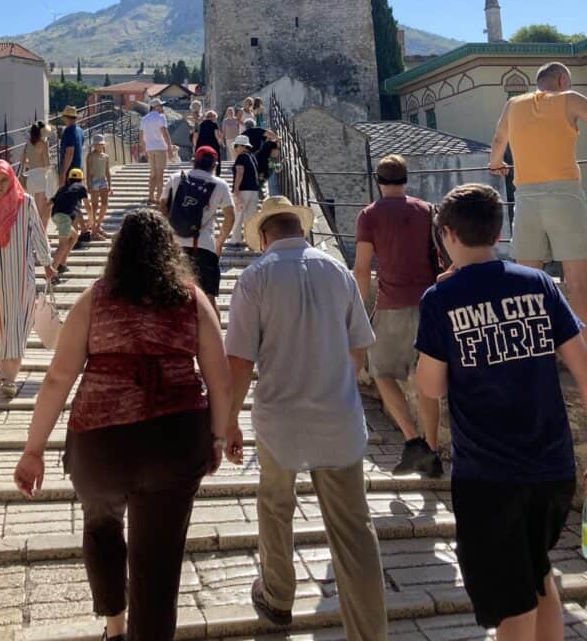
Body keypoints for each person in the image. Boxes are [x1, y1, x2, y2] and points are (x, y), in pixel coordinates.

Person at [14, 209, 232, 641]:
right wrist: (218, 438)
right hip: (174, 440)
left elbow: (59, 378)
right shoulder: (191, 299)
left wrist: (33, 449)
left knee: (101, 527)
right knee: (159, 562)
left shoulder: (95, 300)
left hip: (100, 444)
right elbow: (220, 379)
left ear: (118, 253)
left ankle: (114, 628)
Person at [415, 183, 587, 638]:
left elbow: (429, 386)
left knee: (511, 603)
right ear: (498, 231)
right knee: (537, 574)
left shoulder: (441, 300)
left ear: (448, 234)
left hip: (489, 477)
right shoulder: (540, 284)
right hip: (554, 468)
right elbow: (582, 366)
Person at [225, 196, 387, 637]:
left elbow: (238, 361)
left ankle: (277, 595)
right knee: (354, 531)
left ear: (263, 235)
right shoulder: (336, 271)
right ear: (299, 227)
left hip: (280, 418)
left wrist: (228, 421)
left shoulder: (254, 278)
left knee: (275, 507)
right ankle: (370, 633)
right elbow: (358, 349)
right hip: (338, 417)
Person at [353, 154, 442, 476]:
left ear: (378, 181)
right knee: (427, 382)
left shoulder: (370, 215)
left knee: (380, 371)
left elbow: (362, 269)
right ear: (406, 180)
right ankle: (432, 452)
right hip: (432, 304)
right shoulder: (426, 209)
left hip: (394, 304)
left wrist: (357, 311)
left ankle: (412, 441)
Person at [489, 61, 587, 323]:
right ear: (562, 81)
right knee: (578, 284)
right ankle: (584, 354)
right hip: (565, 195)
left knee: (527, 282)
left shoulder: (513, 105)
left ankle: (534, 350)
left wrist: (496, 163)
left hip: (526, 197)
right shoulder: (570, 98)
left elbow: (499, 140)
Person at [0, 160, 55, 397]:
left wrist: (47, 263)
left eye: (3, 180)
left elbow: (39, 232)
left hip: (19, 277)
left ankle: (9, 377)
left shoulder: (25, 203)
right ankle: (2, 370)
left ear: (11, 180)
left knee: (16, 326)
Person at [161, 146, 235, 318]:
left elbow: (162, 205)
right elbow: (230, 216)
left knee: (172, 296)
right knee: (208, 298)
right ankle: (216, 340)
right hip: (204, 245)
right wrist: (220, 242)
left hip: (175, 246)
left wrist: (169, 230)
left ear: (194, 161)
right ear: (214, 164)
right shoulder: (220, 184)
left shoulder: (176, 178)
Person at [50, 168, 94, 277]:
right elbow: (88, 206)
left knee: (74, 236)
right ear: (81, 179)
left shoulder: (62, 188)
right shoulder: (81, 188)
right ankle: (52, 273)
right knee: (62, 244)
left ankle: (62, 263)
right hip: (65, 217)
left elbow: (49, 202)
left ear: (69, 179)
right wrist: (91, 219)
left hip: (55, 216)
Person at [139, 98, 174, 206]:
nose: (162, 107)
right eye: (160, 106)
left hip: (150, 148)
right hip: (160, 148)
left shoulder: (144, 119)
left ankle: (150, 197)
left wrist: (143, 149)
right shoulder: (161, 117)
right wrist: (169, 148)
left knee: (153, 174)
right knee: (160, 175)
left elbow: (141, 136)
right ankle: (159, 199)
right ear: (155, 107)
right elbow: (165, 133)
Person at [19, 120, 54, 224]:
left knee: (33, 209)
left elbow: (22, 161)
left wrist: (33, 164)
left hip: (30, 178)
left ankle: (33, 234)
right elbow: (47, 163)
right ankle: (41, 236)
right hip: (41, 178)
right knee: (42, 211)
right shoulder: (43, 144)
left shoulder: (28, 143)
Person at [231, 134, 260, 247]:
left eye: (236, 146)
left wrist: (236, 189)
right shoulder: (252, 157)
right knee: (250, 216)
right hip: (253, 190)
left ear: (241, 146)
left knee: (238, 214)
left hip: (244, 190)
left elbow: (240, 172)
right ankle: (251, 239)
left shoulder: (241, 157)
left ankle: (236, 239)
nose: (235, 148)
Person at [86, 134, 112, 240]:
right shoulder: (90, 156)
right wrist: (88, 184)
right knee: (95, 205)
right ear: (94, 145)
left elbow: (107, 171)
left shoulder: (106, 156)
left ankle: (98, 225)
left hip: (103, 180)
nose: (99, 146)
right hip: (94, 180)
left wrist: (110, 184)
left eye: (101, 144)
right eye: (97, 144)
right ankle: (94, 229)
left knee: (105, 204)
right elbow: (87, 171)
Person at [59, 105, 85, 187]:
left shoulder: (68, 131)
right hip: (78, 169)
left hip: (70, 171)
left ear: (66, 118)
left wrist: (63, 173)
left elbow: (69, 152)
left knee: (69, 197)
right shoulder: (80, 131)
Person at [192, 109, 223, 175]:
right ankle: (217, 174)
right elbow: (217, 135)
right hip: (212, 145)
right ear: (213, 117)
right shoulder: (214, 124)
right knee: (216, 159)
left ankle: (198, 174)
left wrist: (195, 145)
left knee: (200, 159)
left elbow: (195, 135)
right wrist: (220, 142)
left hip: (201, 145)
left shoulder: (200, 125)